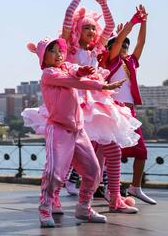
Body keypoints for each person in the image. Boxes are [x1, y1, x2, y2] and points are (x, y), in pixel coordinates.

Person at [59, 0, 140, 213]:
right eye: (87, 28)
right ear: (77, 30)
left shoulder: (95, 50)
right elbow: (68, 15)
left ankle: (115, 198)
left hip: (99, 103)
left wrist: (103, 2)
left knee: (113, 150)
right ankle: (55, 196)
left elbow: (111, 25)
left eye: (93, 28)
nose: (92, 31)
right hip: (77, 104)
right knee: (76, 157)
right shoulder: (69, 50)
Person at [28, 37, 124, 227]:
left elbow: (75, 72)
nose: (58, 54)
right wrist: (102, 86)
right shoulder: (49, 74)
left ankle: (83, 207)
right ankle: (45, 208)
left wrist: (82, 71)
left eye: (60, 50)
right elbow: (74, 82)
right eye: (52, 51)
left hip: (78, 130)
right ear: (43, 57)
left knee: (94, 171)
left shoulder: (66, 68)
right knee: (54, 173)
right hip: (58, 130)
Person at [102, 5, 156, 204]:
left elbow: (141, 43)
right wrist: (130, 25)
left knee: (141, 151)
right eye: (121, 44)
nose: (124, 46)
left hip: (130, 111)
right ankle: (110, 189)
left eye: (126, 45)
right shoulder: (111, 60)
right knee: (111, 152)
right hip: (114, 110)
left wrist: (144, 23)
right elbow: (116, 42)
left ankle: (135, 187)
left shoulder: (131, 61)